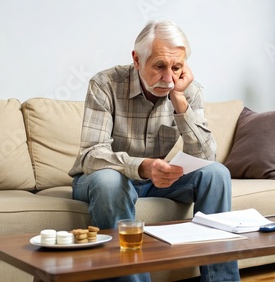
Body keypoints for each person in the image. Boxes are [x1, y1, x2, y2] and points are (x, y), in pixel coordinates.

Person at [69, 20, 240, 282]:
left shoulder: (187, 90)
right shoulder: (105, 84)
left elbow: (206, 157)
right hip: (102, 178)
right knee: (110, 181)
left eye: (177, 67)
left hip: (154, 181)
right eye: (159, 66)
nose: (169, 78)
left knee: (216, 173)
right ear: (137, 60)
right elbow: (91, 155)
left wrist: (180, 100)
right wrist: (143, 166)